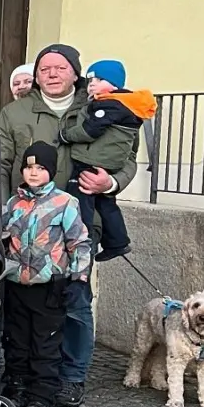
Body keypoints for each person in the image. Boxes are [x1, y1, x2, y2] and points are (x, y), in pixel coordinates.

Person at [0, 43, 138, 407]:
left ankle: (70, 377)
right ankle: (20, 375)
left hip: (82, 219)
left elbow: (128, 156)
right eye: (45, 69)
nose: (52, 74)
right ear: (36, 76)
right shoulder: (15, 112)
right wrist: (2, 212)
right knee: (21, 306)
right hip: (25, 227)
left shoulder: (101, 104)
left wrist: (112, 183)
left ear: (75, 72)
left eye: (60, 67)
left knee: (75, 301)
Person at [1, 141, 92, 407]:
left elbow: (78, 241)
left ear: (51, 171)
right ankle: (15, 387)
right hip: (16, 283)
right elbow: (4, 239)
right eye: (29, 167)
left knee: (45, 344)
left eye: (40, 168)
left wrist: (79, 277)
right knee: (16, 341)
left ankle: (41, 396)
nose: (34, 173)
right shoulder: (13, 203)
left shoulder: (65, 203)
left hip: (50, 285)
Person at [61, 59, 153, 262]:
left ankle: (81, 240)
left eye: (99, 79)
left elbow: (90, 130)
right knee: (106, 204)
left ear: (114, 84)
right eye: (91, 79)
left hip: (91, 162)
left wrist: (66, 135)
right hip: (104, 161)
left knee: (80, 199)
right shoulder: (125, 105)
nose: (92, 84)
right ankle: (117, 242)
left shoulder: (109, 104)